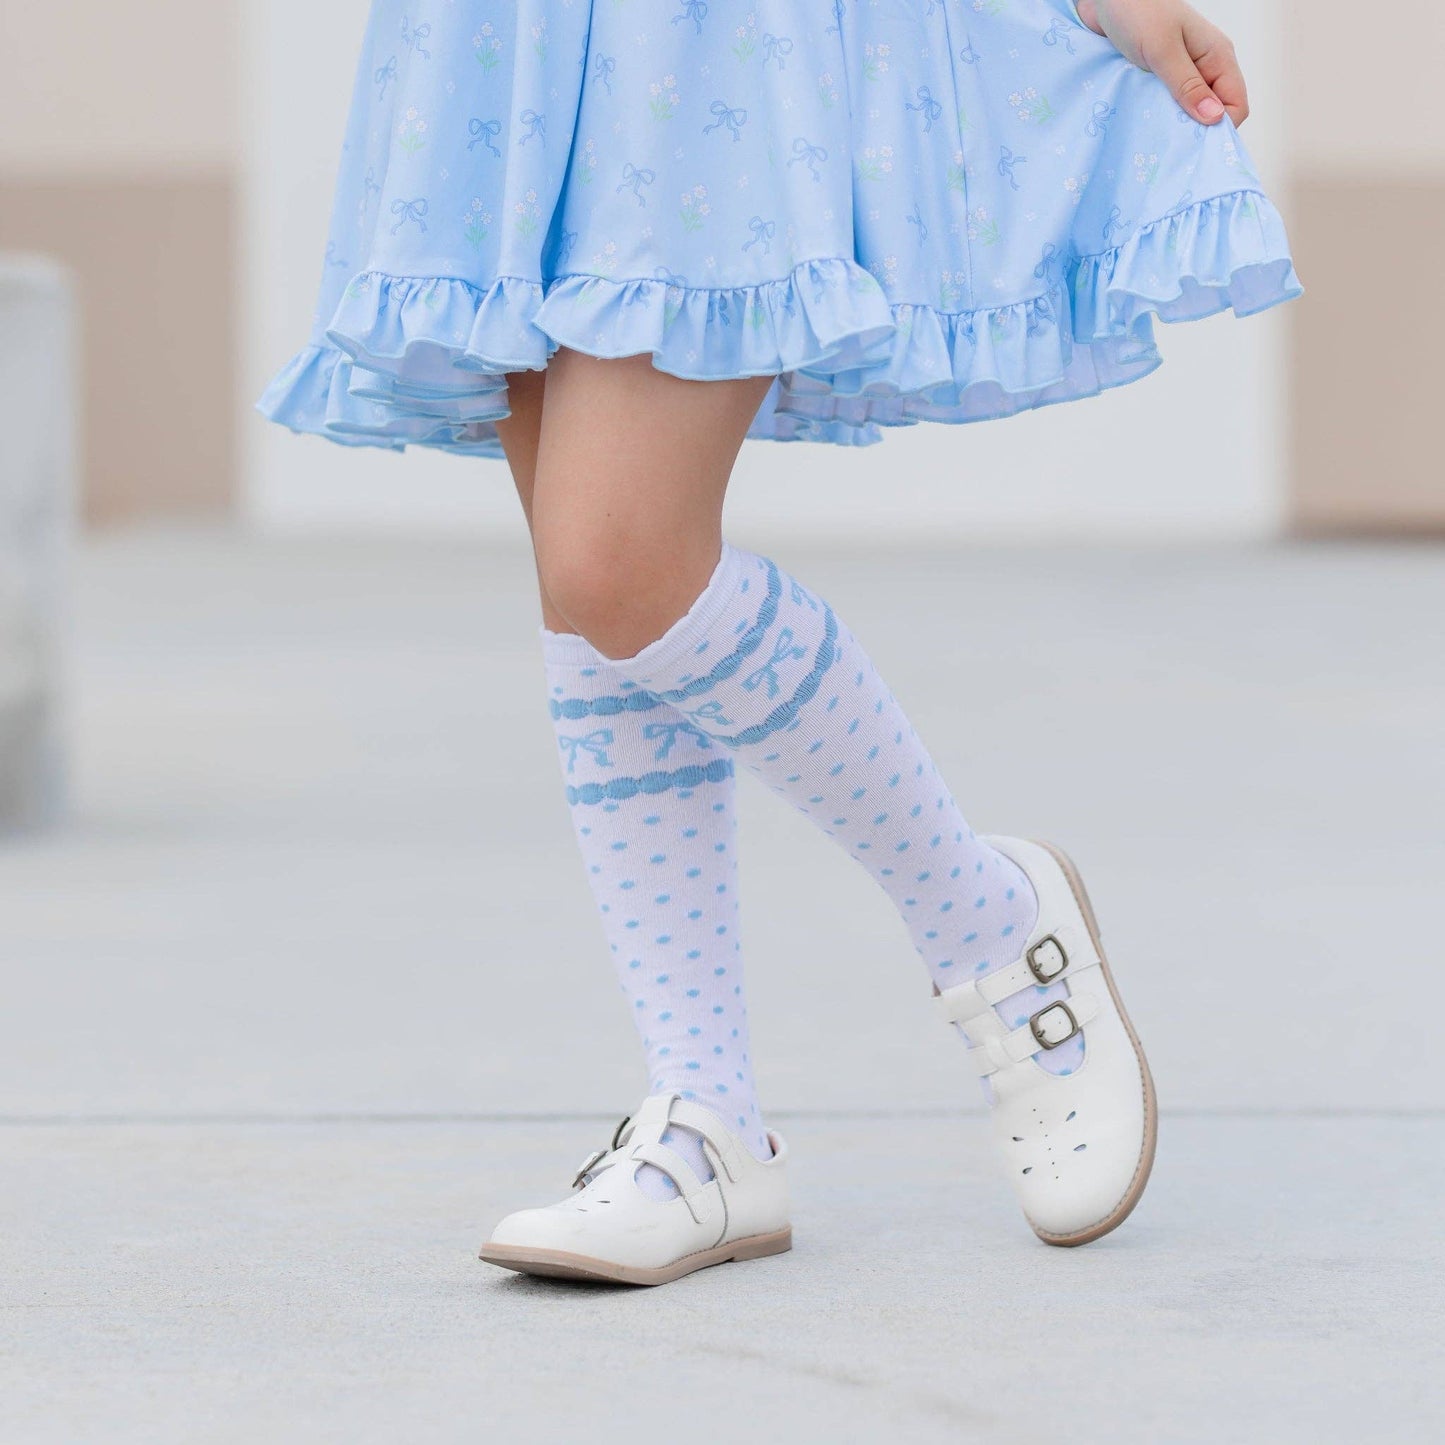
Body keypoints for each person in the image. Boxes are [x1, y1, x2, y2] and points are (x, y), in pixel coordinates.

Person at [260, 0, 1301, 1286]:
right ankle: (704, 1118)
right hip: (504, 34)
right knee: (587, 581)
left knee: (616, 556)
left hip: (699, 40)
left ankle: (984, 919)